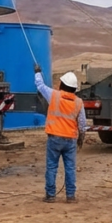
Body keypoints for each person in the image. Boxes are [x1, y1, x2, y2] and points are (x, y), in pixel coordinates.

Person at [34, 65, 86, 203]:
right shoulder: (79, 102)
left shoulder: (54, 95)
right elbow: (82, 123)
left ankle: (50, 195)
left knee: (52, 167)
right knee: (70, 168)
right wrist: (81, 137)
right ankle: (70, 196)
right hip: (70, 140)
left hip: (54, 138)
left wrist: (38, 72)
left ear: (62, 84)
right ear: (74, 88)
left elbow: (40, 85)